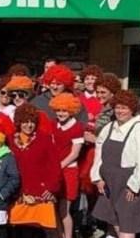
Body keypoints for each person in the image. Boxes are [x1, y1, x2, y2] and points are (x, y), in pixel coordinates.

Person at [91, 90, 140, 238]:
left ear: (132, 109)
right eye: (118, 107)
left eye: (124, 108)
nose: (120, 111)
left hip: (129, 183)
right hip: (109, 183)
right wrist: (97, 177)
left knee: (127, 226)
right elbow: (98, 154)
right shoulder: (109, 127)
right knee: (112, 222)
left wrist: (134, 185)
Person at [8, 104, 61, 235]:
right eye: (25, 122)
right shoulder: (9, 140)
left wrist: (51, 187)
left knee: (40, 231)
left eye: (32, 122)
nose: (29, 125)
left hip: (41, 193)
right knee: (20, 230)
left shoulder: (45, 139)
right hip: (19, 194)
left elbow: (55, 165)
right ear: (19, 122)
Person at [49, 93, 84, 238]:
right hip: (54, 169)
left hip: (68, 170)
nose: (61, 113)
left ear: (71, 110)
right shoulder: (52, 124)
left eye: (64, 110)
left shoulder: (77, 127)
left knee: (64, 209)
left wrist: (60, 165)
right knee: (53, 209)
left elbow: (75, 153)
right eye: (58, 110)